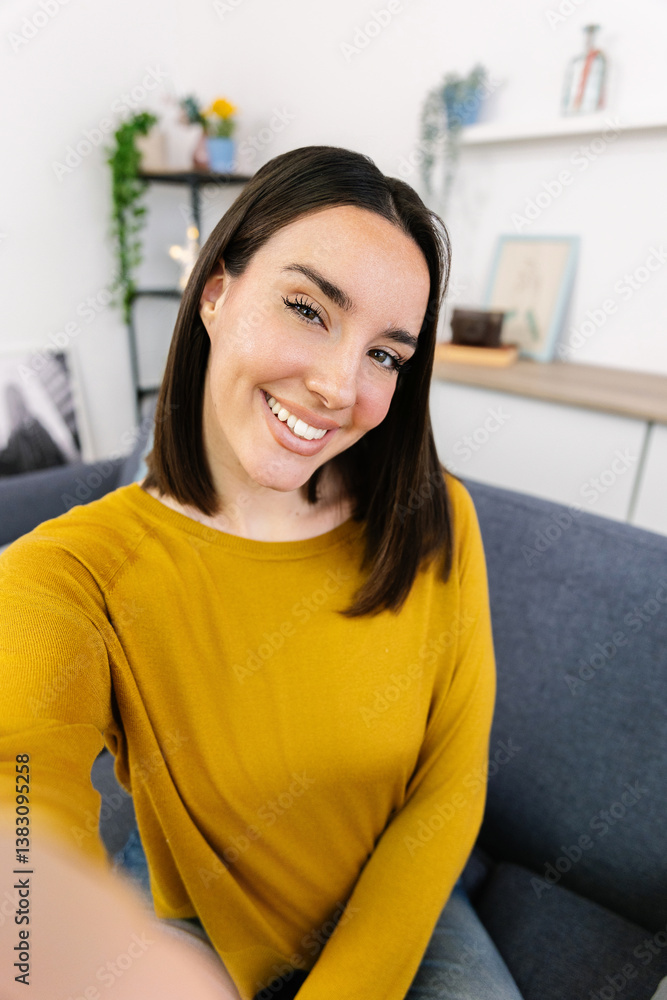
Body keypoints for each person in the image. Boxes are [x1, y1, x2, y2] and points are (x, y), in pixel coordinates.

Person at [0, 145, 521, 1000]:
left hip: (405, 909)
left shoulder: (434, 520)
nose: (335, 385)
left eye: (385, 356)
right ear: (214, 293)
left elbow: (451, 783)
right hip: (204, 930)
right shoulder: (69, 576)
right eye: (307, 309)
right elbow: (21, 836)